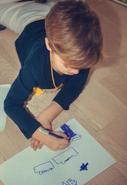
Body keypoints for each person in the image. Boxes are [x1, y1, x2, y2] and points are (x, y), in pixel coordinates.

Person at [4, 0, 103, 151]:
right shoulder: (34, 67)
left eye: (81, 66)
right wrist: (42, 135)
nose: (76, 72)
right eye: (68, 64)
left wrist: (47, 116)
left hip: (50, 16)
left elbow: (75, 86)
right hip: (28, 20)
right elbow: (10, 104)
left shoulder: (80, 54)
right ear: (49, 45)